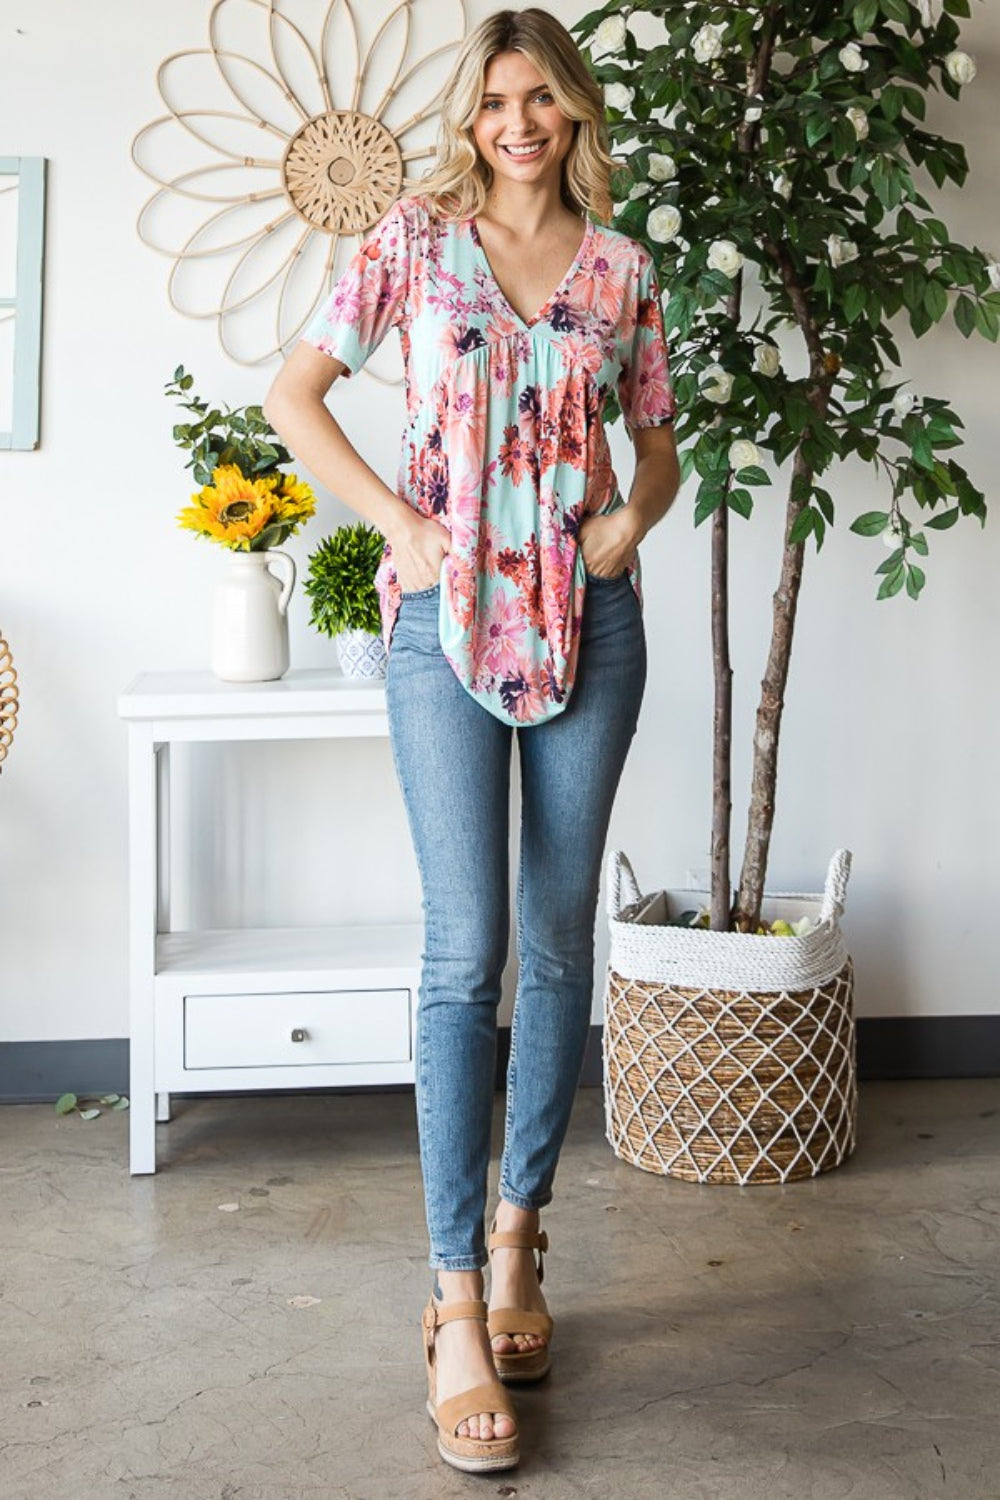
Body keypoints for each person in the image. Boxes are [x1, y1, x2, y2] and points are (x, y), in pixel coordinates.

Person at [264, 5, 680, 1474]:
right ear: (473, 115)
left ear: (575, 115)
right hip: (442, 627)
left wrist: (628, 525)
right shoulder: (413, 243)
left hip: (590, 623)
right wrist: (401, 525)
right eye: (499, 100)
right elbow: (294, 395)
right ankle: (450, 1303)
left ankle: (517, 1243)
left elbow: (658, 446)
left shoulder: (622, 269)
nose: (519, 124)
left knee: (558, 943)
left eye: (543, 99)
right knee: (466, 951)